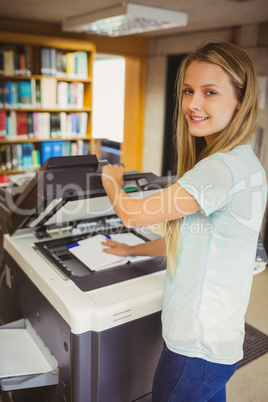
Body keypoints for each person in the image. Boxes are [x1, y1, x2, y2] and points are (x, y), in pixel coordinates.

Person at [101, 41, 267, 402]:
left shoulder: (219, 169)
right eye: (189, 91)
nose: (193, 103)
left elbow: (130, 212)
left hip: (194, 349)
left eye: (210, 92)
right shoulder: (244, 161)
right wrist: (133, 249)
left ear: (240, 100)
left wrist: (112, 182)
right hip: (218, 344)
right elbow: (195, 237)